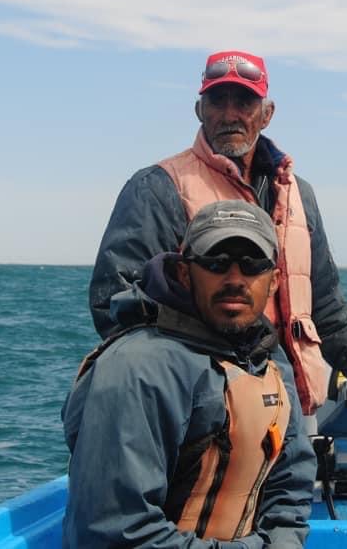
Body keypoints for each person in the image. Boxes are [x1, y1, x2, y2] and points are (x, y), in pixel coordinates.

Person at [88, 50, 347, 414]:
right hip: (202, 407)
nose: (230, 114)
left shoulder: (299, 194)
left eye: (245, 101)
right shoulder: (156, 187)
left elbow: (322, 300)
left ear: (267, 114)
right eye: (218, 100)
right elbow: (116, 302)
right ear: (199, 110)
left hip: (290, 404)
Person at [63, 200, 316, 549]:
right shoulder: (137, 369)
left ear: (273, 282)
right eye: (216, 262)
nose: (235, 279)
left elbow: (290, 486)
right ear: (184, 273)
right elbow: (114, 533)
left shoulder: (270, 362)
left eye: (252, 264)